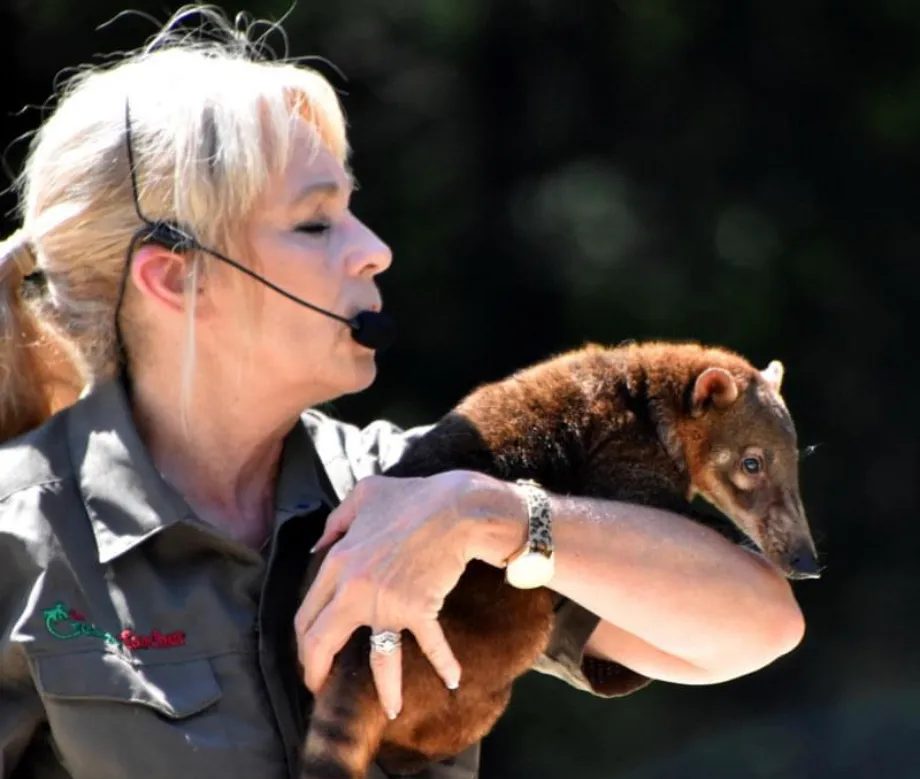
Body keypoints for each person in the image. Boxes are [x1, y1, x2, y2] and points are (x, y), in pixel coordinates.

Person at [0, 8, 807, 779]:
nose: (376, 252)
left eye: (354, 212)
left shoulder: (419, 485)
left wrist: (488, 517)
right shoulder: (21, 539)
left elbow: (758, 624)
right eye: (317, 225)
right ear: (174, 277)